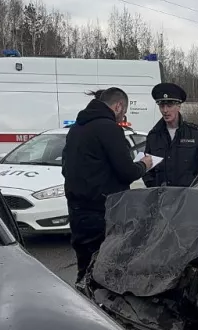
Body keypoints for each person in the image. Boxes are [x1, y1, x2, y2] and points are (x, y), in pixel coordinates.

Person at [62, 87, 153, 284]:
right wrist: (143, 164)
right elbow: (127, 172)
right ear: (118, 106)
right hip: (102, 212)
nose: (122, 117)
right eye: (124, 112)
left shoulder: (76, 128)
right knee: (104, 271)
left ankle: (82, 302)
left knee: (84, 266)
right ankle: (99, 311)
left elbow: (67, 168)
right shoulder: (109, 129)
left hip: (77, 210)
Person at [142, 82, 198, 186]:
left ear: (179, 106)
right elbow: (147, 168)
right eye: (162, 106)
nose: (165, 110)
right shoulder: (153, 136)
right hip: (161, 198)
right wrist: (153, 187)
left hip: (188, 197)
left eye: (169, 105)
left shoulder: (196, 134)